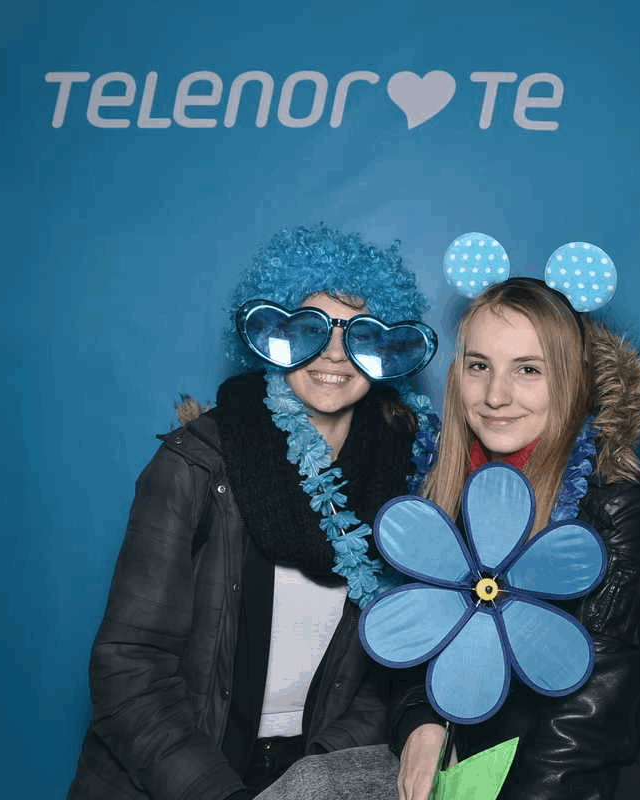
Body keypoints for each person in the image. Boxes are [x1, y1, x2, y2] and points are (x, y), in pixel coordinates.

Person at [255, 276, 640, 800]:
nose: (496, 396)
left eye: (528, 370)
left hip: (585, 770)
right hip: (478, 754)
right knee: (310, 785)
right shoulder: (445, 486)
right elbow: (421, 639)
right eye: (479, 366)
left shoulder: (616, 502)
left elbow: (593, 715)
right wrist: (421, 725)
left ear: (571, 381)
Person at [67, 224, 439, 800]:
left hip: (303, 774)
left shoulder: (405, 477)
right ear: (273, 334)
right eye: (310, 329)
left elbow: (388, 670)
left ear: (386, 349)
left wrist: (313, 781)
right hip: (172, 780)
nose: (334, 353)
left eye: (359, 334)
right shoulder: (196, 463)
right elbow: (129, 667)